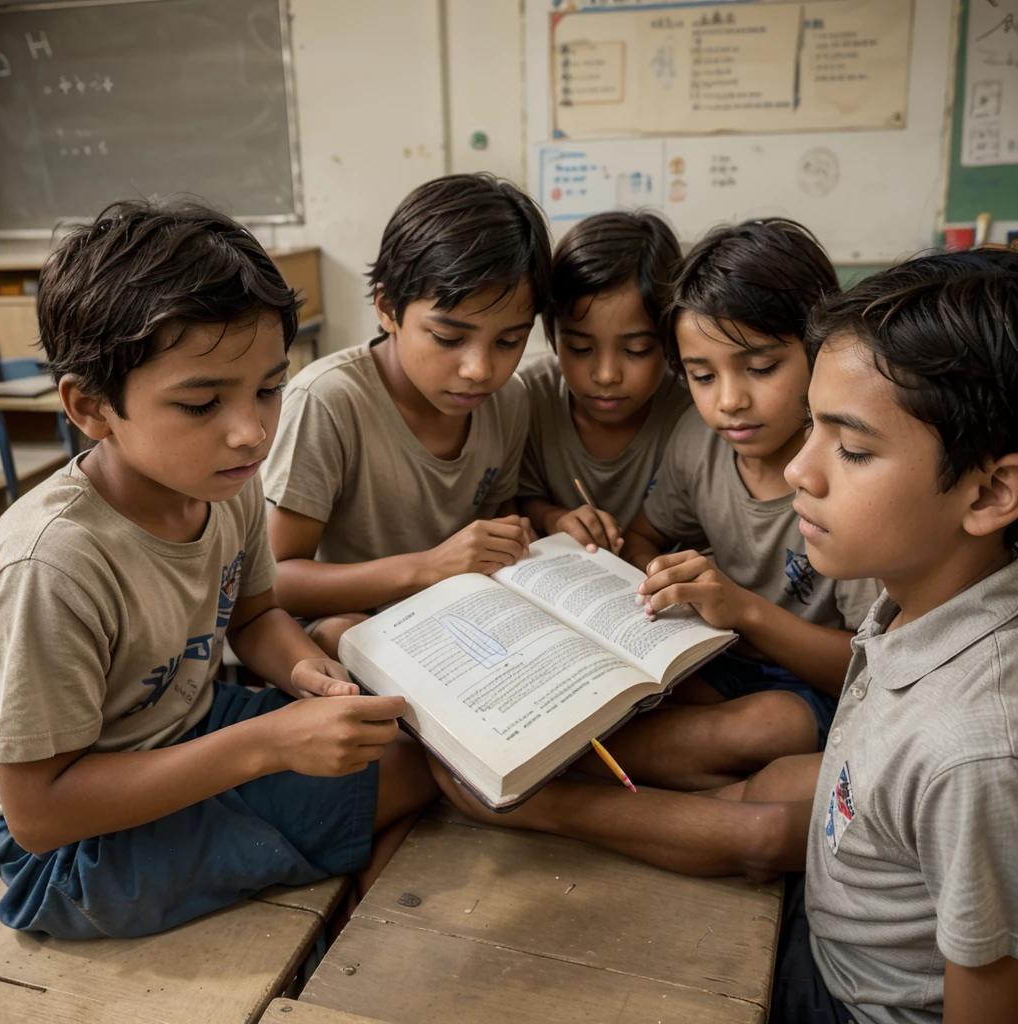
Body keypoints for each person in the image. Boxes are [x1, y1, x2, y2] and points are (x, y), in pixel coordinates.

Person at [435, 249, 1018, 1024]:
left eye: (851, 447)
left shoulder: (974, 752)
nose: (801, 471)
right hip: (829, 932)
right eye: (813, 427)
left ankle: (530, 797)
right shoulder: (913, 611)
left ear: (990, 491)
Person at [0, 199, 437, 939]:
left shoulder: (221, 481)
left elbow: (257, 616)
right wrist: (267, 746)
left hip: (188, 731)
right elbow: (40, 816)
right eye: (202, 403)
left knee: (407, 759)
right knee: (387, 784)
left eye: (268, 388)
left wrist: (307, 674)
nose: (252, 431)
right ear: (92, 407)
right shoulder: (54, 565)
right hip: (74, 849)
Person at [619, 220, 879, 791]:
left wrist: (744, 610)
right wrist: (659, 583)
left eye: (761, 368)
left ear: (819, 351)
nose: (730, 401)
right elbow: (642, 538)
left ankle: (577, 781)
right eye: (702, 375)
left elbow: (871, 666)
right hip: (723, 656)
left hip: (814, 682)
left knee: (768, 728)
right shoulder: (697, 442)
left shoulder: (850, 473)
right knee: (645, 694)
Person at [264, 174, 551, 652]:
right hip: (356, 624)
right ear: (387, 308)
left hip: (461, 618)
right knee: (341, 634)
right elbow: (275, 580)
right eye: (448, 338)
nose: (480, 370)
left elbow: (500, 520)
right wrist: (429, 566)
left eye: (509, 341)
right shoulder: (329, 401)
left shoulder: (510, 399)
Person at [517, 210, 691, 555]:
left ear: (669, 340)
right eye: (581, 348)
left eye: (636, 349)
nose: (607, 375)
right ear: (553, 336)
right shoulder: (529, 399)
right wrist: (554, 517)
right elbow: (518, 498)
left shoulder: (693, 409)